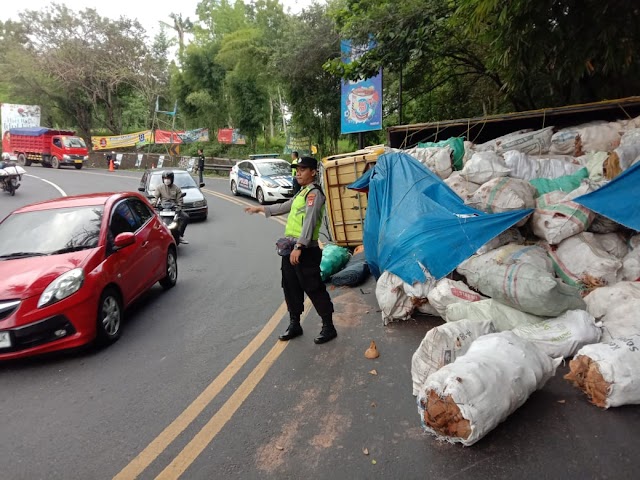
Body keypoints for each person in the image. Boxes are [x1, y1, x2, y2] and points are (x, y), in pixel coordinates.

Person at [245, 156, 336, 344]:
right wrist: (260, 209)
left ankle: (329, 326)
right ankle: (295, 324)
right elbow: (284, 206)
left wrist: (299, 246)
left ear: (313, 172)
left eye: (303, 169)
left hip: (305, 250)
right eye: (297, 169)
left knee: (314, 288)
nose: (298, 173)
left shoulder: (314, 194)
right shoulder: (302, 193)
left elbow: (310, 222)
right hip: (290, 249)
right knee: (290, 287)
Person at [153, 171, 189, 244]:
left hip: (174, 208)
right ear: (163, 179)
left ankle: (179, 235)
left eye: (168, 178)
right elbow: (155, 197)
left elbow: (180, 199)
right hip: (163, 208)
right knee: (153, 220)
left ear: (172, 179)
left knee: (185, 217)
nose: (166, 180)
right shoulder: (159, 188)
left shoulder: (176, 188)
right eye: (165, 178)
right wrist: (153, 203)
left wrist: (179, 206)